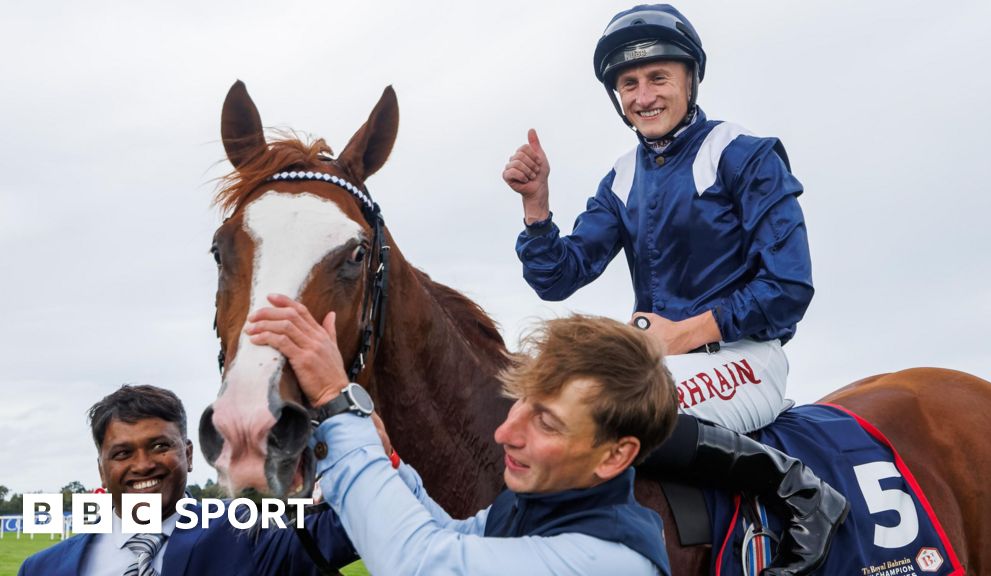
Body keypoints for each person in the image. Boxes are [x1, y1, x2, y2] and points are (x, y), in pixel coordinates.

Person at [501, 4, 846, 573]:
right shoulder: (622, 176)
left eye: (659, 77)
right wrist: (536, 206)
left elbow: (789, 286)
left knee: (621, 415)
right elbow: (559, 277)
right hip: (663, 364)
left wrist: (685, 334)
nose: (643, 96)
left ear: (690, 80)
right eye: (629, 84)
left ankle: (805, 496)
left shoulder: (744, 153)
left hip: (747, 358)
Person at [247, 295, 843, 575]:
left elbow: (420, 563)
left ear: (617, 456)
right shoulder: (548, 508)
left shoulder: (604, 561)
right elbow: (450, 534)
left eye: (547, 423)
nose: (506, 430)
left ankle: (798, 486)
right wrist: (390, 457)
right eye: (522, 405)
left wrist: (335, 405)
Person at [19, 384, 357, 576]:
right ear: (101, 470)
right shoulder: (40, 569)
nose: (143, 465)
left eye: (160, 446)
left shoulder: (249, 530)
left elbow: (360, 520)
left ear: (190, 454)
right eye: (122, 454)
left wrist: (342, 413)